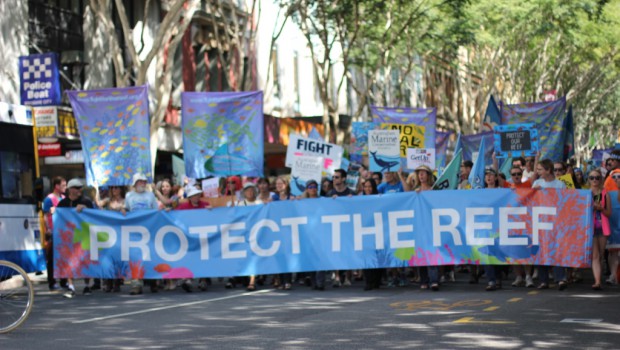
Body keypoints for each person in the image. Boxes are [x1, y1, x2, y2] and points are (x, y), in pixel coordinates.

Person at [532, 159, 568, 291]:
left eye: (540, 169)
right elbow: (530, 201)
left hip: (556, 222)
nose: (538, 171)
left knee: (557, 251)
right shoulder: (537, 183)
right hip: (540, 223)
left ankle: (561, 279)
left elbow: (564, 201)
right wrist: (534, 192)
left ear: (548, 170)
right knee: (542, 252)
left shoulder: (560, 185)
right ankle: (543, 280)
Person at [56, 178, 94, 298]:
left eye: (80, 188)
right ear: (70, 190)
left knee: (85, 260)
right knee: (68, 260)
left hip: (83, 235)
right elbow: (58, 217)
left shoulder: (86, 201)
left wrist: (85, 209)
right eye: (77, 188)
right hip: (68, 237)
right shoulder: (63, 203)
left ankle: (87, 285)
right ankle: (70, 286)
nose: (79, 190)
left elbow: (95, 216)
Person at [124, 173, 159, 295]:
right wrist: (123, 210)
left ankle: (153, 282)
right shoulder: (129, 196)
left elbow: (156, 211)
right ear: (135, 183)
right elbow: (127, 210)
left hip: (149, 230)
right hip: (134, 232)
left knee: (150, 257)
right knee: (135, 258)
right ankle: (136, 284)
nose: (143, 183)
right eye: (140, 181)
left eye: (144, 181)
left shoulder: (150, 195)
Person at [175, 186, 210, 292]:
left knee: (203, 258)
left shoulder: (205, 205)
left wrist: (211, 210)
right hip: (189, 238)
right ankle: (188, 280)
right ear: (189, 197)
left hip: (202, 237)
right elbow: (174, 216)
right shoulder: (183, 207)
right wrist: (168, 211)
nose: (196, 197)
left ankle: (203, 280)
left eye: (197, 195)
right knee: (190, 258)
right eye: (193, 195)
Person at [414, 165, 440, 291]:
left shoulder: (434, 191)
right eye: (419, 173)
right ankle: (424, 280)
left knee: (432, 253)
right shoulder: (415, 191)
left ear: (428, 176)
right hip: (420, 227)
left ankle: (434, 280)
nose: (421, 175)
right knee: (421, 254)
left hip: (432, 227)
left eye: (423, 173)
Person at [96, 184, 126, 292]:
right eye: (112, 188)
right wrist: (95, 189)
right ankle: (108, 282)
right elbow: (98, 204)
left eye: (116, 187)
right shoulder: (108, 201)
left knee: (118, 259)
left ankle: (117, 282)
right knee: (107, 258)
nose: (114, 190)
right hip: (108, 233)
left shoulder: (125, 201)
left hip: (120, 232)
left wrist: (125, 211)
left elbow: (130, 212)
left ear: (121, 189)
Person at [508, 166, 534, 288]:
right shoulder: (507, 186)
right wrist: (494, 159)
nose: (517, 176)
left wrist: (536, 157)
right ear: (511, 176)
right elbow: (496, 175)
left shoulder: (527, 184)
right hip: (511, 223)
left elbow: (535, 175)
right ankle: (518, 276)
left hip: (525, 222)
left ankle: (528, 276)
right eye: (514, 174)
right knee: (514, 251)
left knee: (526, 250)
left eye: (519, 173)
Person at [42, 176, 66, 291]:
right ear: (56, 186)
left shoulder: (64, 198)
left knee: (63, 257)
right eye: (63, 185)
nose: (65, 188)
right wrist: (48, 229)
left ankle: (64, 280)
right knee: (52, 258)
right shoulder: (49, 199)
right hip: (54, 231)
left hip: (63, 232)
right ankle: (52, 282)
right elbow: (46, 215)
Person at [588, 169, 611, 290]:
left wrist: (601, 208)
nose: (594, 180)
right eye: (592, 177)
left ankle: (599, 278)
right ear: (589, 179)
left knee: (601, 254)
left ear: (600, 179)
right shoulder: (586, 193)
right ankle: (597, 281)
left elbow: (609, 213)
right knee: (595, 255)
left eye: (597, 177)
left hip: (603, 228)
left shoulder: (605, 193)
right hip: (590, 228)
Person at [482, 167, 501, 291]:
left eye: (491, 175)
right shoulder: (480, 192)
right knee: (485, 253)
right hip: (484, 227)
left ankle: (497, 278)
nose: (489, 177)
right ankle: (491, 280)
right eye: (486, 175)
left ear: (495, 177)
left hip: (499, 227)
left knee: (497, 254)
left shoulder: (501, 191)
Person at [606, 170, 620, 285]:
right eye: (614, 177)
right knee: (612, 252)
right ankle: (613, 275)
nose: (616, 179)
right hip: (612, 225)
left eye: (619, 176)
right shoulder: (607, 191)